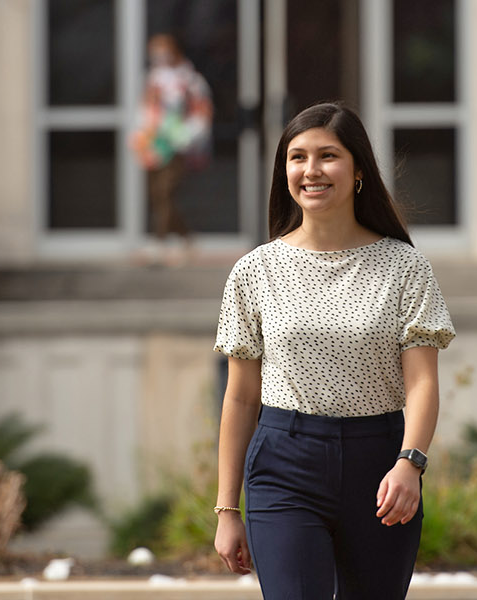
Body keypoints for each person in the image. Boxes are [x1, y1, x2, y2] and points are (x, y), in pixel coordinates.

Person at [211, 102, 456, 599]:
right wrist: (226, 509)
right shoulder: (254, 271)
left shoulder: (404, 267)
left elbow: (423, 382)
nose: (311, 170)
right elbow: (240, 398)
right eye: (297, 157)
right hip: (284, 464)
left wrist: (411, 462)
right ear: (284, 172)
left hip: (381, 467)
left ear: (358, 169)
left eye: (328, 155)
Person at [129, 33, 212, 267]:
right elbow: (146, 109)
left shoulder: (191, 81)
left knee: (165, 191)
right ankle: (186, 237)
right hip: (155, 144)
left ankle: (159, 241)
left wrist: (188, 136)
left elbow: (202, 112)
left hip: (178, 146)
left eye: (163, 49)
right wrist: (142, 135)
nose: (159, 55)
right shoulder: (154, 80)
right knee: (157, 193)